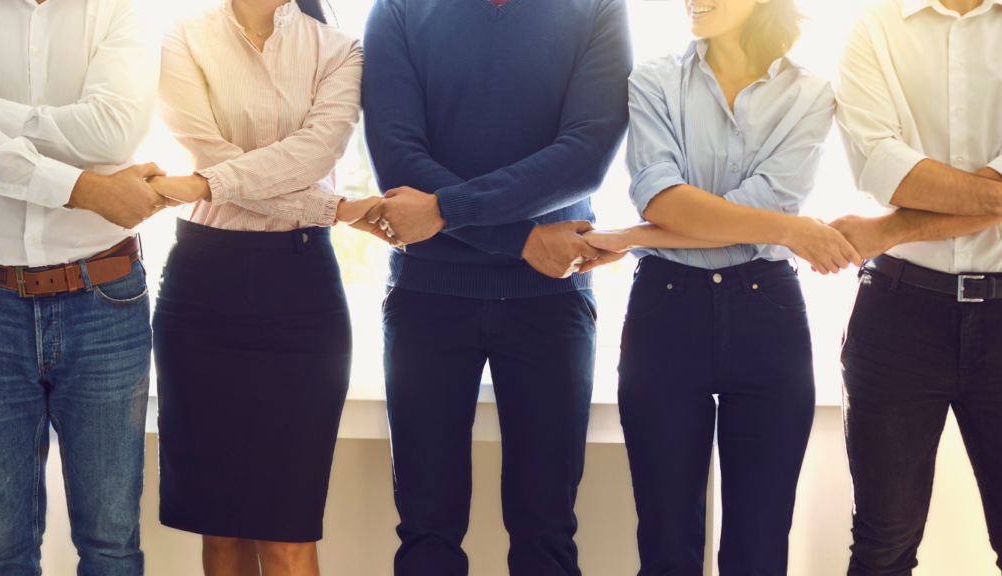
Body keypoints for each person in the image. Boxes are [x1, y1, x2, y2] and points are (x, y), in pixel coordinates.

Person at [582, 0, 860, 573]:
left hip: (769, 314)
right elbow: (661, 195)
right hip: (665, 310)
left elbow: (766, 199)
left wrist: (636, 235)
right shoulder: (654, 79)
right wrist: (789, 230)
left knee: (759, 548)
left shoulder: (811, 93)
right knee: (665, 543)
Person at [360, 0, 632, 573]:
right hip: (427, 300)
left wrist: (452, 211)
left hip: (552, 301)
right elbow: (397, 159)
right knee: (426, 531)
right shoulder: (399, 9)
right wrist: (522, 240)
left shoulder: (599, 7)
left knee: (547, 532)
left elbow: (586, 155)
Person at [147, 1, 382, 574]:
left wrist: (201, 185)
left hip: (300, 292)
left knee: (287, 533)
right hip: (201, 288)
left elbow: (312, 154)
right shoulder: (183, 36)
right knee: (221, 529)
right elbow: (206, 154)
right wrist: (336, 208)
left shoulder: (339, 48)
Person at [0, 0, 165, 574]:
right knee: (0, 549)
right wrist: (89, 190)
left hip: (104, 298)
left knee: (110, 545)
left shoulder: (123, 9)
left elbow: (111, 132)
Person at [829, 0, 1002, 573]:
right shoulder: (872, 27)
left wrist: (887, 231)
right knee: (883, 547)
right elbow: (883, 168)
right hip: (898, 315)